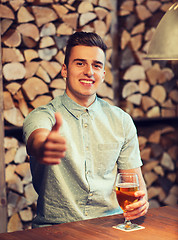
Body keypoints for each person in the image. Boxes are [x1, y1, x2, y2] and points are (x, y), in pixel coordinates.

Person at [23, 31, 149, 228]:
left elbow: (136, 184)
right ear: (65, 70)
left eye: (96, 65)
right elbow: (37, 140)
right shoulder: (42, 116)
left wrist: (141, 203)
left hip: (111, 227)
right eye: (80, 63)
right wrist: (44, 146)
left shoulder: (122, 120)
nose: (89, 71)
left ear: (103, 74)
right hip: (56, 230)